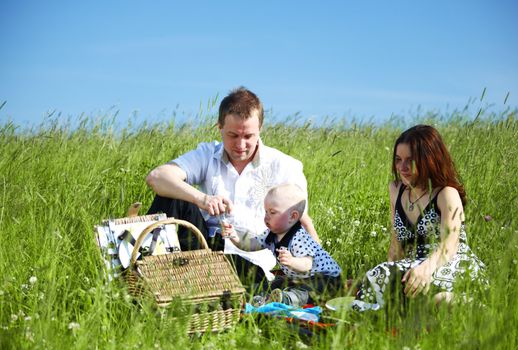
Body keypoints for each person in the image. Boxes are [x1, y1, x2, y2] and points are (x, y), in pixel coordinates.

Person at [145, 87, 319, 286]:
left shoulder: (284, 166)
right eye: (233, 135)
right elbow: (157, 177)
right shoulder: (207, 154)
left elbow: (302, 221)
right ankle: (139, 271)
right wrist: (203, 199)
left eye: (248, 136)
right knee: (172, 194)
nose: (241, 144)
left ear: (260, 129)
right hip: (204, 247)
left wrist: (317, 267)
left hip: (251, 259)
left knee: (247, 274)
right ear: (219, 127)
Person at [351, 125, 487, 312]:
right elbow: (396, 245)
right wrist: (385, 276)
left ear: (429, 160)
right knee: (378, 277)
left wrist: (426, 267)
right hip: (413, 265)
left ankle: (474, 305)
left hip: (448, 263)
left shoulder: (446, 194)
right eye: (398, 160)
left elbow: (450, 245)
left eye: (410, 161)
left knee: (434, 298)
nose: (402, 168)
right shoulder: (396, 190)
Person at [222, 183, 341, 307]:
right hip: (299, 277)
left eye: (272, 212)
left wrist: (292, 261)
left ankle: (286, 299)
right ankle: (257, 294)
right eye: (266, 211)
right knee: (277, 282)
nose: (266, 217)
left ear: (293, 216)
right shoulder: (272, 233)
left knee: (307, 291)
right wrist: (234, 236)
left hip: (327, 278)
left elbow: (307, 264)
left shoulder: (298, 237)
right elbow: (250, 244)